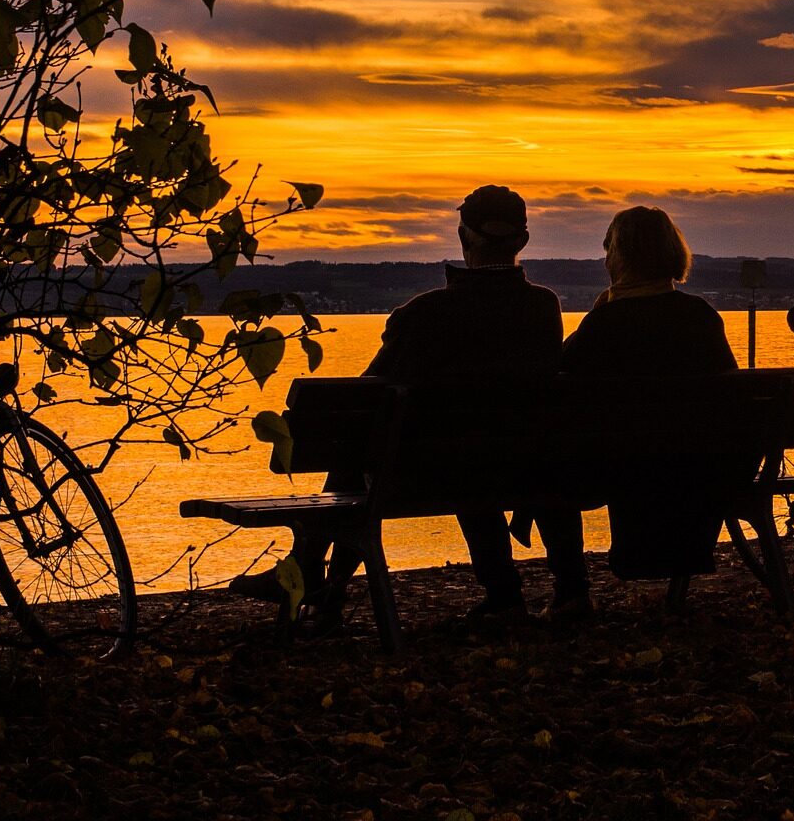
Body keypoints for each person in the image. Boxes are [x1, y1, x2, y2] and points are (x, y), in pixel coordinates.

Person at [232, 185, 587, 628]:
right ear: (523, 240)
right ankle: (510, 595)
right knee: (422, 451)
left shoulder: (427, 312)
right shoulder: (543, 307)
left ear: (463, 236)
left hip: (431, 473)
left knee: (361, 446)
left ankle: (317, 583)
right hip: (525, 466)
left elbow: (364, 397)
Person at [561, 206, 738, 587]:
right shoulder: (702, 315)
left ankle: (571, 591)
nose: (605, 259)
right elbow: (731, 392)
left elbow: (563, 376)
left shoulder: (606, 323)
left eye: (608, 249)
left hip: (628, 468)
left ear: (622, 255)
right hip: (703, 466)